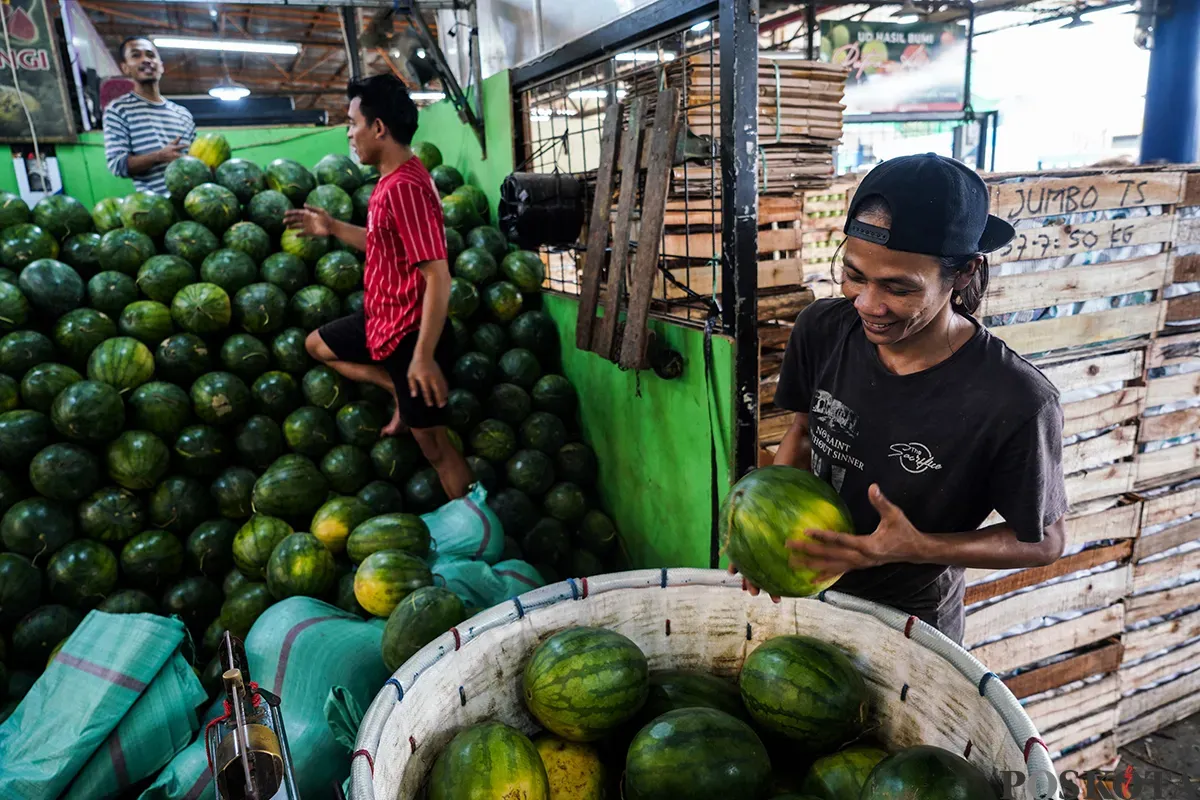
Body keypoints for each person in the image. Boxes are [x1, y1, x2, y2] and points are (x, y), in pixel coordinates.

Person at [734, 154, 1068, 644]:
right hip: (809, 591)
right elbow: (803, 434)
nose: (868, 304)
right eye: (854, 276)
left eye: (898, 288)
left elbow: (1046, 542)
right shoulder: (823, 329)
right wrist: (763, 534)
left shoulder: (1015, 400)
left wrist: (914, 546)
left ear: (962, 273)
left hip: (911, 619)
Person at [284, 74, 473, 501]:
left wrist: (422, 358)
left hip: (411, 334)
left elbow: (438, 276)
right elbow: (382, 242)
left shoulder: (405, 187)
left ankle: (479, 532)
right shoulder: (391, 180)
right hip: (382, 321)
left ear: (379, 128)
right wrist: (331, 227)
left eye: (353, 123)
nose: (350, 134)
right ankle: (396, 389)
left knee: (436, 449)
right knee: (317, 345)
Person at [103, 37, 196, 196]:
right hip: (155, 211)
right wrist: (159, 156)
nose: (146, 60)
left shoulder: (183, 114)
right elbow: (117, 165)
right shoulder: (118, 110)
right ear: (125, 68)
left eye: (151, 55)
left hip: (195, 203)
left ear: (161, 66)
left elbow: (196, 160)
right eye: (136, 55)